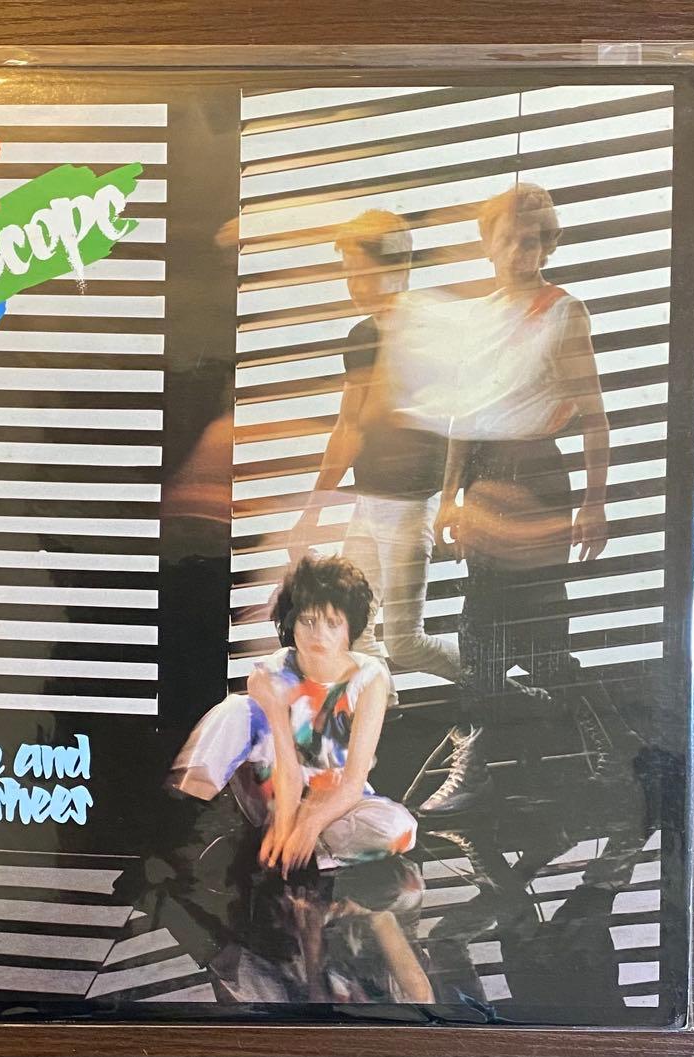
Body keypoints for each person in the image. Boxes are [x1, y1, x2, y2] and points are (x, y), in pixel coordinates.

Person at [417, 181, 612, 817]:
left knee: (531, 639)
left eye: (534, 240)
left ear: (548, 245)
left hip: (537, 478)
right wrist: (450, 496)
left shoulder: (564, 312)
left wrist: (594, 504)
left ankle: (611, 754)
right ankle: (484, 765)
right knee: (483, 636)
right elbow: (462, 417)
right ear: (488, 244)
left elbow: (594, 417)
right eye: (510, 239)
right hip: (483, 479)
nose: (522, 251)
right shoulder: (476, 319)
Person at [288, 211, 459, 686]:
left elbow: (459, 423)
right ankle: (383, 711)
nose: (354, 285)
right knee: (354, 628)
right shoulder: (362, 337)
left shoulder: (433, 333)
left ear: (399, 264)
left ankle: (504, 692)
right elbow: (348, 427)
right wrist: (312, 511)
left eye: (363, 272)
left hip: (411, 505)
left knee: (405, 640)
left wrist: (452, 503)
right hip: (370, 502)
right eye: (349, 273)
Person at [167, 555, 418, 878]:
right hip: (274, 793)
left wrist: (309, 824)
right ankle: (183, 824)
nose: (319, 635)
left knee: (400, 828)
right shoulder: (273, 671)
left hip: (336, 800)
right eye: (308, 621)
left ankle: (294, 851)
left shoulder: (370, 677)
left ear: (350, 627)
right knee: (235, 709)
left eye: (332, 623)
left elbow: (353, 783)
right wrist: (285, 819)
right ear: (291, 622)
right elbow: (286, 765)